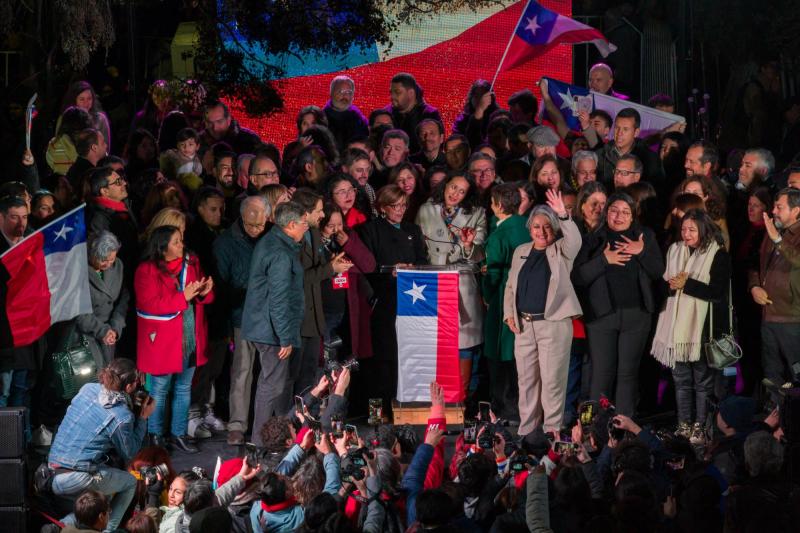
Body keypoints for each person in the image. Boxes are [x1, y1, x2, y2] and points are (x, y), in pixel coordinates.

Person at [572, 192, 665, 415]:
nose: (619, 216)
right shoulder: (593, 238)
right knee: (601, 373)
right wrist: (604, 260)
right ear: (606, 213)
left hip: (637, 316)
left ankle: (623, 427)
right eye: (614, 210)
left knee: (628, 374)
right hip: (602, 317)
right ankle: (594, 427)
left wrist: (641, 252)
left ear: (633, 216)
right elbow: (578, 277)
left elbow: (658, 271)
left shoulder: (644, 236)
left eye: (625, 212)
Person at [503, 190, 582, 435]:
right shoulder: (521, 251)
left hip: (553, 325)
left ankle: (552, 432)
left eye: (547, 226)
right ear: (529, 229)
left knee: (552, 383)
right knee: (526, 383)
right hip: (524, 326)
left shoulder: (561, 250)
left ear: (555, 228)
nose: (541, 231)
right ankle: (527, 432)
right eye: (536, 226)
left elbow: (575, 242)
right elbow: (510, 286)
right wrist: (509, 314)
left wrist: (562, 215)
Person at [651, 209, 731, 444]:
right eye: (683, 229)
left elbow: (716, 293)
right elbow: (663, 286)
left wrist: (687, 284)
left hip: (701, 329)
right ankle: (684, 424)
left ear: (703, 230)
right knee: (681, 380)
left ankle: (701, 426)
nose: (686, 234)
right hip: (675, 328)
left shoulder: (718, 255)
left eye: (692, 229)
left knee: (702, 382)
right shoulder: (675, 250)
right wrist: (671, 286)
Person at [48, 359, 154, 531]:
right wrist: (143, 418)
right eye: (136, 382)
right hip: (75, 478)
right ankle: (107, 530)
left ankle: (60, 526)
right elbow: (130, 453)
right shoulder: (121, 416)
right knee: (129, 482)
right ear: (128, 387)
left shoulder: (87, 388)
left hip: (52, 471)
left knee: (100, 495)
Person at [135, 225, 214, 453]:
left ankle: (178, 434)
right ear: (162, 247)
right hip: (163, 341)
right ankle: (155, 435)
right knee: (159, 390)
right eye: (176, 242)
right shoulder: (146, 270)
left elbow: (203, 297)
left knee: (183, 388)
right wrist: (183, 297)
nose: (182, 245)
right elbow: (149, 305)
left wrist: (205, 291)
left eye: (181, 240)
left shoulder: (191, 262)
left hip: (190, 337)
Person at [241, 202, 308, 446]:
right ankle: (260, 442)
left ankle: (280, 434)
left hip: (264, 326)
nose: (306, 228)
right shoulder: (280, 253)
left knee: (274, 383)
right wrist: (285, 337)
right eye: (304, 224)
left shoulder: (273, 242)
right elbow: (278, 300)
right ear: (291, 225)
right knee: (272, 385)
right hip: (271, 331)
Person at [358, 185, 428, 416]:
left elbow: (422, 261)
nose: (399, 210)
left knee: (404, 356)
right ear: (382, 207)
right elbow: (366, 266)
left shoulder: (413, 230)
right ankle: (376, 414)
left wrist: (413, 268)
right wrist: (389, 271)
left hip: (410, 301)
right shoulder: (369, 230)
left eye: (403, 205)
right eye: (394, 206)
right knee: (381, 360)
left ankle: (403, 410)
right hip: (382, 301)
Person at [416, 172, 487, 396]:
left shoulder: (477, 213)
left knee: (463, 342)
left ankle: (460, 399)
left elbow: (478, 253)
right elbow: (418, 247)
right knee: (434, 341)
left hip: (461, 282)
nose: (455, 194)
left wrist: (467, 246)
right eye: (453, 187)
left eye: (462, 191)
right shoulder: (426, 210)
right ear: (446, 185)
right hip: (432, 280)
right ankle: (435, 398)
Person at [214, 195, 269, 445]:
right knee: (242, 371)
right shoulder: (226, 242)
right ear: (241, 217)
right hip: (242, 316)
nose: (256, 230)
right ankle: (237, 423)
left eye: (260, 225)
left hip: (270, 315)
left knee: (271, 372)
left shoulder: (272, 237)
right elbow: (220, 285)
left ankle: (267, 422)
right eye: (251, 224)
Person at [482, 184, 530, 421]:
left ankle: (502, 407)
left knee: (500, 352)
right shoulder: (527, 226)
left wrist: (487, 295)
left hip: (504, 299)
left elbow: (493, 274)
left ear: (499, 205)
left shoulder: (499, 235)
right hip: (528, 298)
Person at [748, 188, 800, 388]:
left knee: (796, 375)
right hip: (768, 315)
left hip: (793, 318)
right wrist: (754, 287)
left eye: (780, 207)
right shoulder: (772, 231)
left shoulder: (779, 234)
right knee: (771, 376)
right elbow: (755, 265)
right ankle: (773, 415)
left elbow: (797, 260)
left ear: (796, 210)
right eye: (774, 206)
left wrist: (778, 239)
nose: (774, 211)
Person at [318, 202, 376, 358]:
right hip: (323, 310)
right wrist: (331, 266)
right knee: (324, 359)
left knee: (344, 359)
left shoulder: (348, 236)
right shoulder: (313, 241)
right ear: (320, 223)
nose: (337, 230)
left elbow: (369, 265)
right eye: (331, 226)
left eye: (340, 224)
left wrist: (348, 244)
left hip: (347, 309)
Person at [75, 231, 129, 367]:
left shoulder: (118, 265)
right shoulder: (78, 269)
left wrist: (115, 328)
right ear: (92, 254)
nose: (108, 264)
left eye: (112, 259)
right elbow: (80, 312)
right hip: (85, 333)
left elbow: (123, 300)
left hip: (109, 332)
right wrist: (102, 331)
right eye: (104, 260)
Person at [86, 166, 139, 282]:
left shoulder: (124, 206)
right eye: (118, 182)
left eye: (122, 179)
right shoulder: (98, 219)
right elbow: (103, 255)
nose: (124, 183)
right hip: (120, 278)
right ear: (104, 191)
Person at [594, 108, 662, 190]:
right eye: (617, 128)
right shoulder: (600, 155)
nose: (619, 133)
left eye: (625, 129)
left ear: (636, 132)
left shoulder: (650, 159)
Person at [383, 73, 442, 153]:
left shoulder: (429, 114)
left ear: (411, 93)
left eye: (397, 92)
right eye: (391, 93)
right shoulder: (385, 114)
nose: (392, 97)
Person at [60, 80, 112, 150]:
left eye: (89, 99)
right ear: (74, 101)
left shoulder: (100, 119)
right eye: (82, 99)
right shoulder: (65, 118)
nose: (86, 103)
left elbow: (106, 147)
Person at [323, 75, 369, 151]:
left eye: (348, 92)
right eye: (340, 91)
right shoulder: (319, 118)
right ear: (331, 93)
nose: (344, 96)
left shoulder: (359, 119)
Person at [453, 80, 500, 150]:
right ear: (471, 97)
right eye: (476, 96)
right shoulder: (462, 120)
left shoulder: (497, 119)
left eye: (482, 96)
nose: (479, 100)